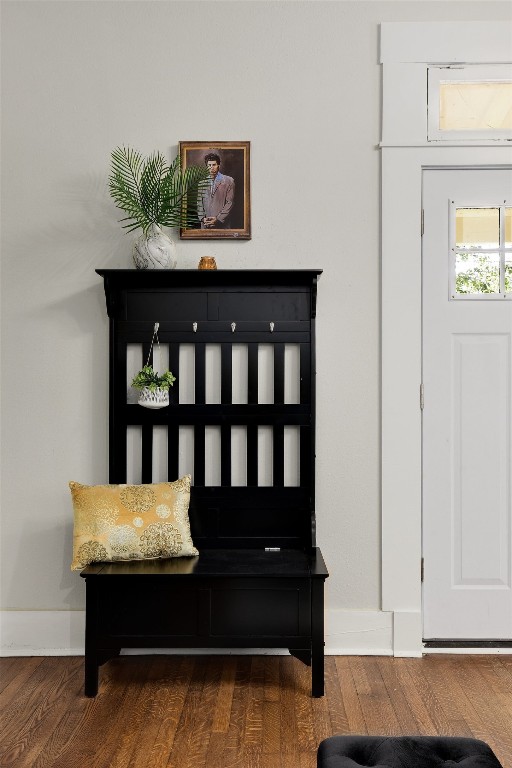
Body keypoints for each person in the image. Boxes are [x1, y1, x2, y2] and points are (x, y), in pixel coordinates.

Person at [198, 153, 235, 229]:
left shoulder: (229, 181)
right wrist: (202, 218)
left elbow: (230, 203)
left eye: (214, 165)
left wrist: (218, 219)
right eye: (209, 165)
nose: (211, 167)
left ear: (219, 165)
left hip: (222, 225)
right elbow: (199, 203)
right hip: (205, 225)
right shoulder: (201, 183)